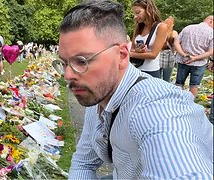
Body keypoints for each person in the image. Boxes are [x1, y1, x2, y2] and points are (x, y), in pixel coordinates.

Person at [51, 0, 213, 179]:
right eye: (64, 63)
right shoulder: (96, 95)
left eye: (82, 61)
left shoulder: (158, 112)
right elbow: (84, 162)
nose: (67, 75)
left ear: (121, 55)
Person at [173, 15, 213, 97]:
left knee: (179, 83)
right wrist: (195, 58)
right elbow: (210, 52)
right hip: (199, 63)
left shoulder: (188, 28)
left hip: (183, 60)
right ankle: (190, 105)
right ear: (211, 21)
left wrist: (183, 54)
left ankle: (176, 102)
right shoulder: (212, 33)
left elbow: (176, 42)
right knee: (194, 85)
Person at [130, 0, 167, 78]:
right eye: (134, 14)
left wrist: (130, 54)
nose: (135, 17)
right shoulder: (138, 27)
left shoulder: (161, 27)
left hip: (151, 72)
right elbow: (132, 48)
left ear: (148, 10)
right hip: (135, 69)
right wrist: (138, 51)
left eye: (138, 12)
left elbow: (153, 55)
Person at [159, 16, 178, 82]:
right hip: (170, 55)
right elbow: (176, 46)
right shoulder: (174, 33)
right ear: (173, 24)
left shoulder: (160, 32)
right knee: (167, 78)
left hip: (160, 53)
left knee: (158, 77)